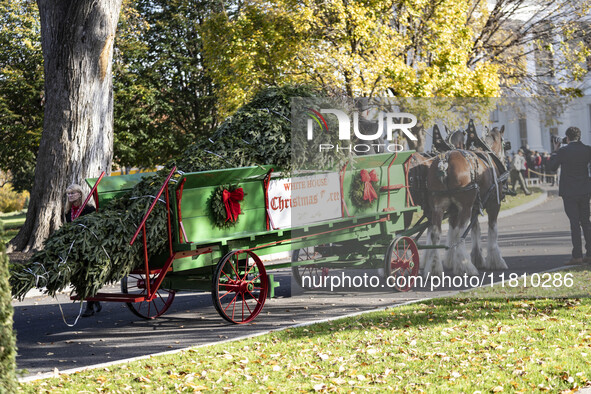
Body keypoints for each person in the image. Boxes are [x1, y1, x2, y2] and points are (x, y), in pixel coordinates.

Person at [547, 126, 591, 265]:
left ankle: (577, 255)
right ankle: (589, 254)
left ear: (567, 138)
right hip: (585, 190)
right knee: (586, 222)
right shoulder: (587, 149)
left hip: (569, 192)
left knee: (574, 223)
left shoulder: (563, 151)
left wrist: (555, 150)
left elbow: (552, 167)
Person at [64, 184, 100, 317]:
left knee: (87, 274)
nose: (70, 196)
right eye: (68, 194)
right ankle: (94, 298)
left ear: (80, 194)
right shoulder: (68, 212)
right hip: (75, 246)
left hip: (89, 246)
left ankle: (89, 306)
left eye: (73, 193)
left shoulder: (89, 209)